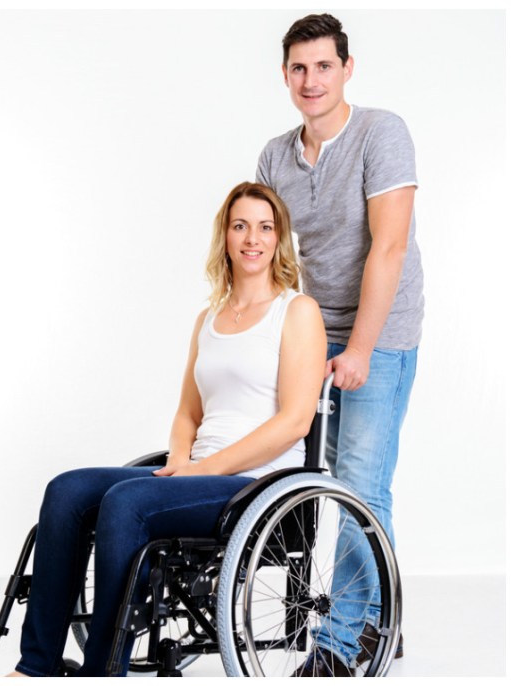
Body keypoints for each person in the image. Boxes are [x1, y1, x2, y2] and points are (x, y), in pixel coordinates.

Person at [7, 182, 326, 677]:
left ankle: (101, 670)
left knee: (127, 502)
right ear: (225, 235)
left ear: (279, 238)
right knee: (67, 490)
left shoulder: (296, 311)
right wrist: (181, 461)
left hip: (256, 485)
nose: (252, 239)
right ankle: (36, 666)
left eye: (265, 227)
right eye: (240, 225)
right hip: (197, 471)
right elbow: (188, 413)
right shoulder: (210, 318)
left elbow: (294, 423)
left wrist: (204, 470)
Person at [255, 13, 421, 676]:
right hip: (317, 324)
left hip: (382, 328)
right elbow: (270, 255)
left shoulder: (382, 133)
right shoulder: (276, 155)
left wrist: (358, 349)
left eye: (324, 66)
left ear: (346, 69)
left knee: (358, 484)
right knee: (298, 473)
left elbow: (390, 247)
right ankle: (382, 619)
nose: (310, 80)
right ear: (285, 75)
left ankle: (343, 642)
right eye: (298, 68)